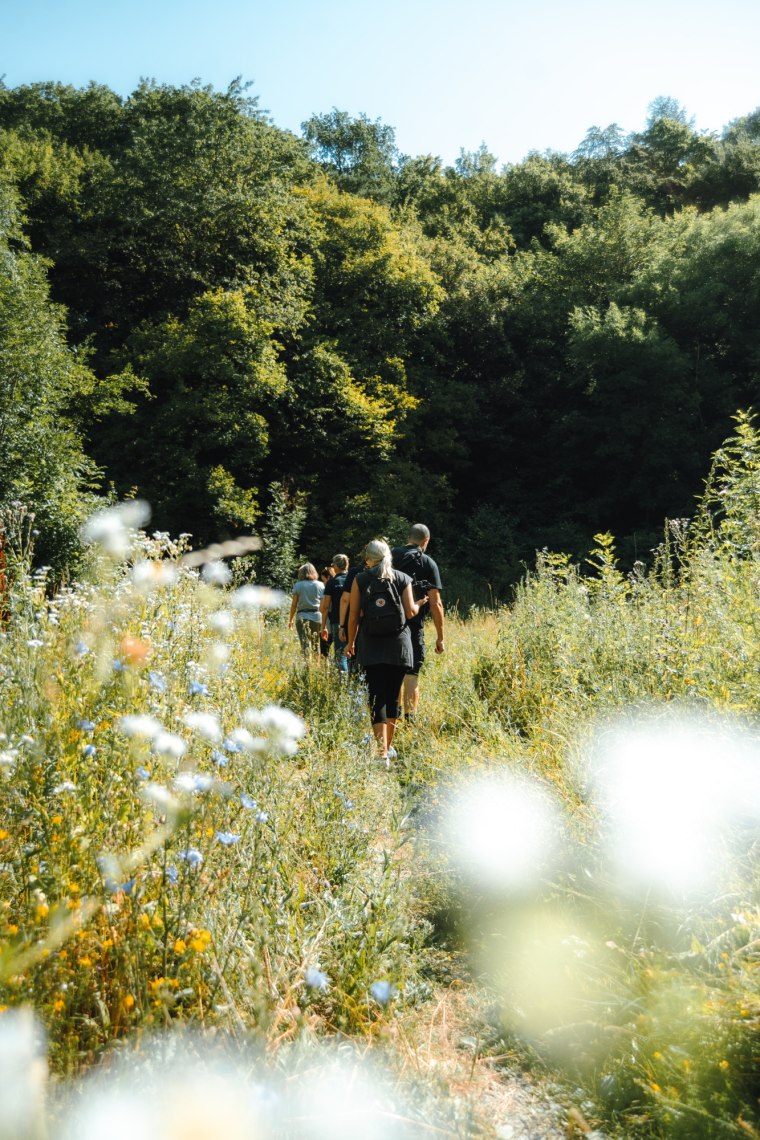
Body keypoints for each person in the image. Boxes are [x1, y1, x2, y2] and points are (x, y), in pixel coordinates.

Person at [346, 538, 424, 763]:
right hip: (398, 646)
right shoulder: (402, 578)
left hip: (371, 645)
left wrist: (351, 643)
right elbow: (410, 613)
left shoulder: (360, 579)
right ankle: (388, 749)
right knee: (392, 696)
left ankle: (380, 753)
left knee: (375, 696)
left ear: (368, 558)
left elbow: (353, 616)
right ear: (388, 555)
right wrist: (420, 603)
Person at [391, 523, 444, 719]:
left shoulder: (389, 557)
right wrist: (440, 637)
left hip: (387, 626)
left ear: (409, 538)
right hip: (413, 626)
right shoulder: (428, 563)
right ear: (425, 541)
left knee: (392, 674)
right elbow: (436, 604)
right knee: (411, 675)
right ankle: (410, 721)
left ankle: (391, 719)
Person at [320, 554, 349, 672]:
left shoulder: (332, 583)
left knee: (340, 655)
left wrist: (323, 627)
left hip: (337, 621)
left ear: (336, 566)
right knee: (353, 654)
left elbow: (326, 607)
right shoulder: (354, 579)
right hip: (355, 621)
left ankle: (343, 685)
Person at [288, 563, 324, 656]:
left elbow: (294, 605)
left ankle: (307, 667)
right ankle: (316, 667)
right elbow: (323, 606)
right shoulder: (320, 585)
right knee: (316, 645)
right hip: (317, 617)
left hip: (302, 617)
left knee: (305, 645)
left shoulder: (298, 585)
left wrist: (291, 619)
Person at [318, 566, 335, 659]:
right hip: (339, 621)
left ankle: (325, 666)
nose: (323, 583)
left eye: (323, 580)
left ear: (328, 577)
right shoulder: (341, 586)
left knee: (324, 649)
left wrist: (323, 626)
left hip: (327, 621)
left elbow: (322, 608)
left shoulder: (325, 590)